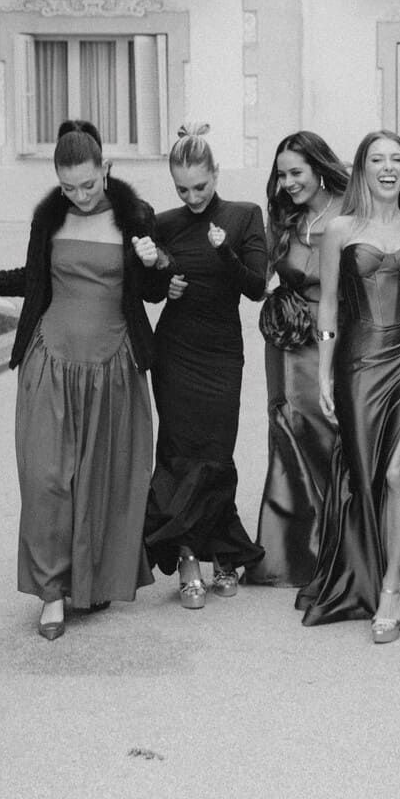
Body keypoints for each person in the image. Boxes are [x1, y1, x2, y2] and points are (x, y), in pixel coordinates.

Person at [0, 120, 160, 640]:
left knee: (101, 479)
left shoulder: (135, 218)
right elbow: (32, 279)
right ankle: (51, 592)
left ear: (106, 169)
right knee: (45, 478)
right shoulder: (50, 218)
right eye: (69, 188)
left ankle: (89, 582)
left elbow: (154, 292)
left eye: (88, 185)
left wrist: (155, 262)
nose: (81, 196)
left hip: (113, 366)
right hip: (50, 360)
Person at [299, 130, 400, 642]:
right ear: (363, 169)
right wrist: (324, 370)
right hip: (358, 359)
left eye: (396, 159)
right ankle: (359, 573)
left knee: (398, 471)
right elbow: (327, 305)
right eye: (378, 160)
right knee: (362, 468)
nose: (388, 168)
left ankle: (392, 587)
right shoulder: (340, 229)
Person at [140, 124, 268, 607]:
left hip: (220, 354)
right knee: (178, 452)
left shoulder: (243, 216)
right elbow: (149, 292)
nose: (192, 196)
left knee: (215, 454)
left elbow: (256, 285)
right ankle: (191, 558)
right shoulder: (166, 223)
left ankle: (225, 555)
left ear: (216, 174)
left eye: (201, 186)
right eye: (182, 189)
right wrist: (160, 280)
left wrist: (224, 251)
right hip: (174, 351)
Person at [245, 131, 350, 589]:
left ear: (319, 168)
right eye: (281, 174)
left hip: (337, 336)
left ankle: (341, 547)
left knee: (333, 434)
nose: (288, 183)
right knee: (289, 431)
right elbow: (259, 274)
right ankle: (291, 554)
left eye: (296, 173)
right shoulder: (283, 216)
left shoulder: (351, 208)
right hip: (287, 343)